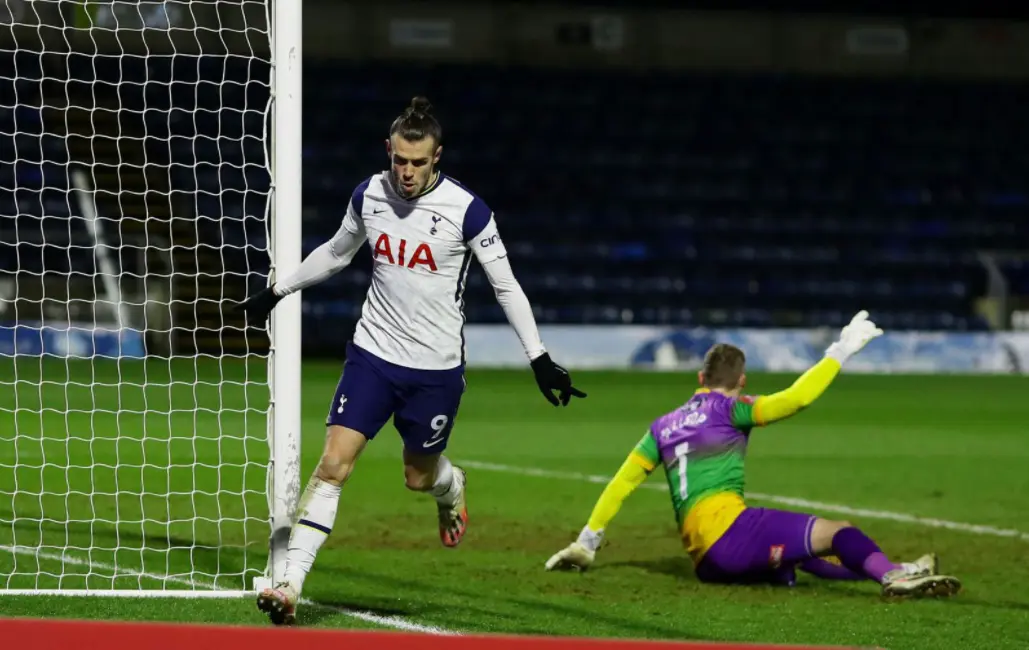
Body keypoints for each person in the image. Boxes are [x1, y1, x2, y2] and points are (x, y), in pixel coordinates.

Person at [238, 96, 586, 625]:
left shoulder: (468, 211)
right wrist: (278, 291)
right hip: (372, 355)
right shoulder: (369, 194)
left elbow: (506, 285)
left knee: (417, 478)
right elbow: (336, 252)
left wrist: (538, 358)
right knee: (333, 464)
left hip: (435, 372)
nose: (406, 172)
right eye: (400, 159)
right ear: (389, 151)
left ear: (437, 157)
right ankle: (290, 585)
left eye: (418, 163)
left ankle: (452, 487)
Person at [544, 311, 960, 599]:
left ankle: (904, 568)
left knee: (798, 556)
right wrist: (840, 351)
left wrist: (588, 541)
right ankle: (892, 576)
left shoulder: (662, 425)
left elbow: (622, 484)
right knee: (839, 532)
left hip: (707, 562)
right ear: (740, 381)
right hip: (732, 535)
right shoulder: (734, 409)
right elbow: (796, 399)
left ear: (699, 378)